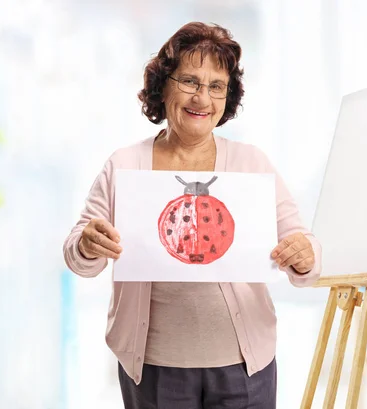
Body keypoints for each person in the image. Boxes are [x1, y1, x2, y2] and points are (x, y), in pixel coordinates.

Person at [63, 21, 322, 409]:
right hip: (153, 369)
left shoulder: (252, 164)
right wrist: (87, 243)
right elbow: (79, 256)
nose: (203, 98)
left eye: (216, 86)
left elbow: (306, 249)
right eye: (189, 81)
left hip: (244, 368)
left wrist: (304, 254)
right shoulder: (124, 165)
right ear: (163, 85)